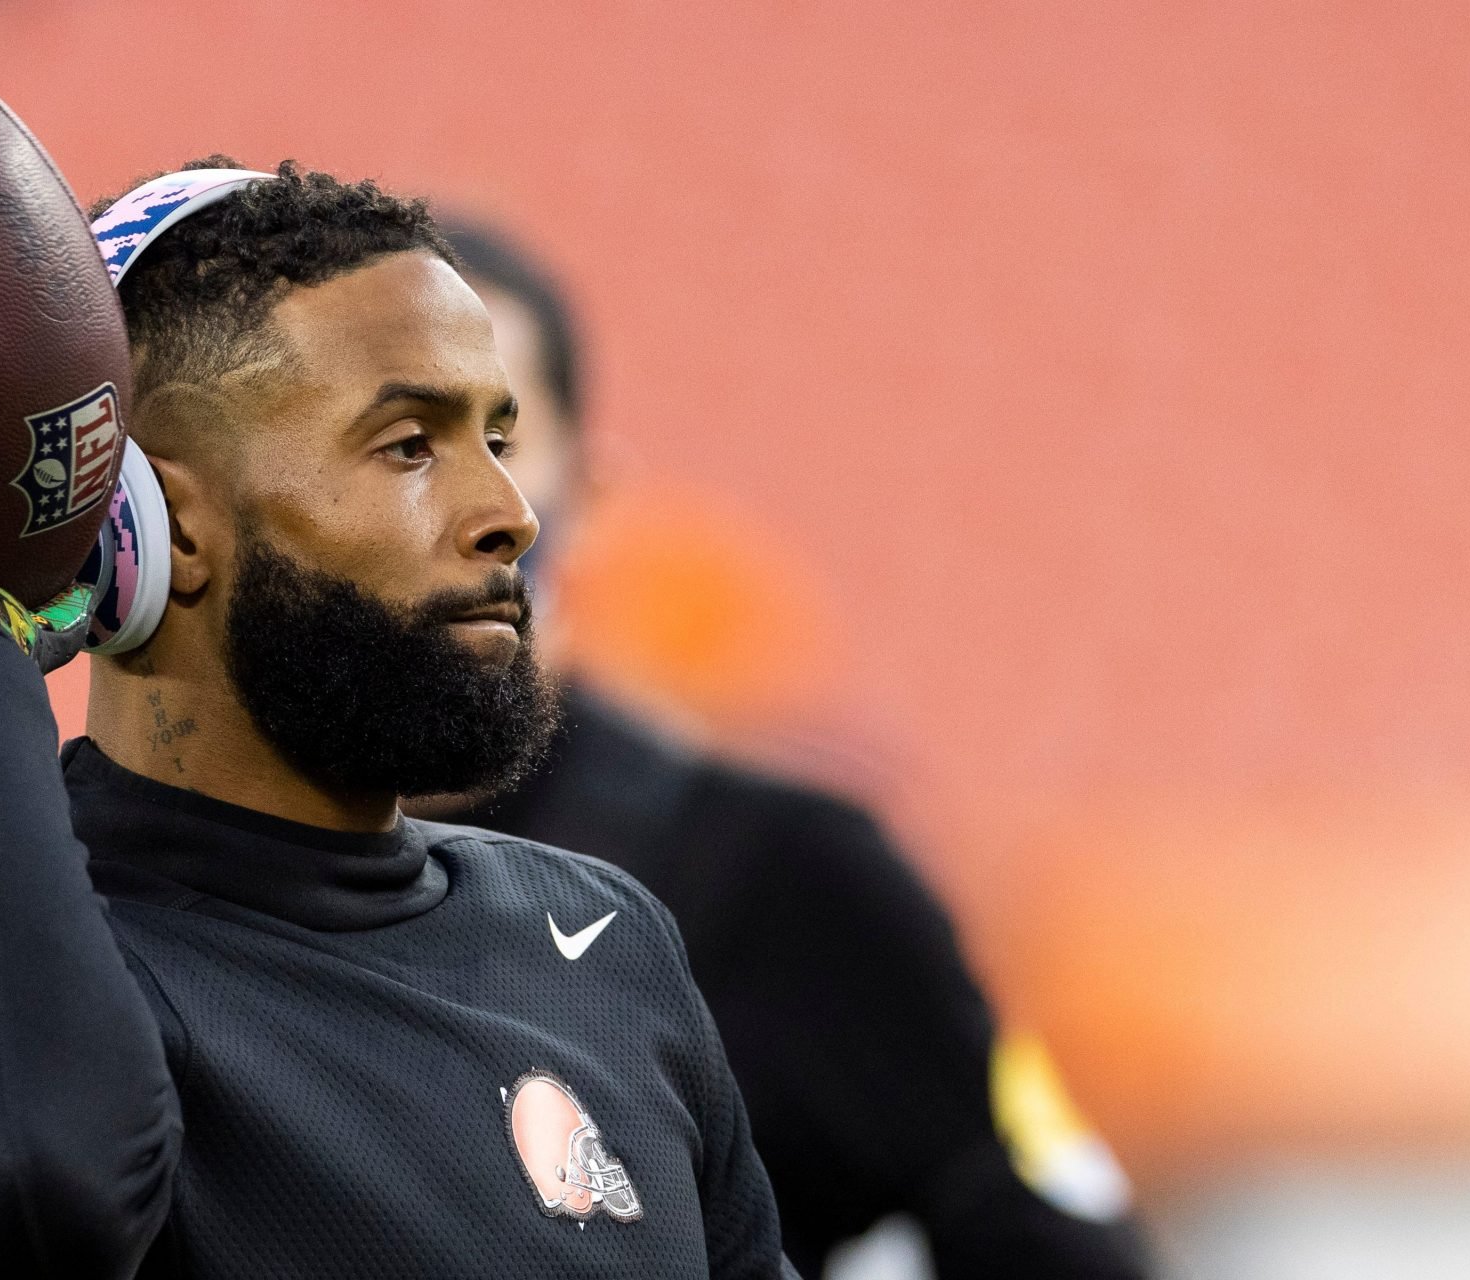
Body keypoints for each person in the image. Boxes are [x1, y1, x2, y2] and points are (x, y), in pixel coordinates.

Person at [0, 161, 795, 1278]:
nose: (510, 514)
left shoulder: (604, 937)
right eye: (409, 444)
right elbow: (15, 1185)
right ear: (159, 528)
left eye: (496, 439)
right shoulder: (67, 972)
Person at [432, 224, 1151, 1278]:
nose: (444, 499)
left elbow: (1049, 1228)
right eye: (390, 443)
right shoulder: (153, 890)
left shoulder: (790, 875)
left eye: (497, 434)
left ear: (589, 487)